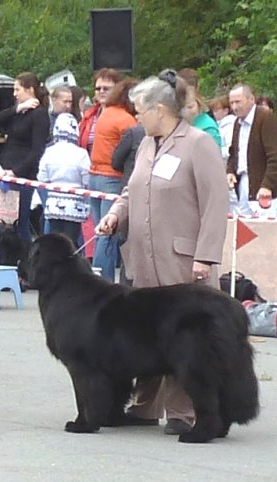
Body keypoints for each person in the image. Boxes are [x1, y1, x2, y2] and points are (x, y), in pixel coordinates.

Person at [95, 69, 229, 435]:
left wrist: (206, 255)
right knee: (145, 335)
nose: (136, 116)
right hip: (144, 257)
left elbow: (217, 203)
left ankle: (184, 410)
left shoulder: (198, 143)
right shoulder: (145, 144)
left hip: (181, 258)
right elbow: (131, 191)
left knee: (183, 339)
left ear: (159, 109)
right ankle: (145, 406)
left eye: (140, 109)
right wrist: (114, 214)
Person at [0, 72, 50, 263]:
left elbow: (37, 150)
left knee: (17, 223)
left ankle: (22, 266)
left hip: (20, 175)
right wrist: (18, 108)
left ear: (30, 90)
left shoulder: (40, 115)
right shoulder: (19, 111)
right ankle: (7, 262)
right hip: (4, 171)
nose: (15, 93)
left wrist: (17, 172)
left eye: (18, 89)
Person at [86, 78, 138, 282]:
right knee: (108, 234)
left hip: (95, 175)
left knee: (100, 229)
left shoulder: (106, 114)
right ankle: (104, 280)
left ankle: (98, 276)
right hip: (112, 178)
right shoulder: (127, 121)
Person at [227, 83, 277, 216]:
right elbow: (234, 152)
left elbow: (276, 156)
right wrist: (230, 171)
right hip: (243, 184)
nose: (234, 107)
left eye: (238, 102)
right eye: (232, 103)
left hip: (263, 186)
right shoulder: (237, 123)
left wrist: (267, 185)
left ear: (251, 99)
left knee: (264, 230)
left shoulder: (266, 118)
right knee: (243, 229)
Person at [37, 113, 90, 244]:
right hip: (75, 203)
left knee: (55, 241)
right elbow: (87, 179)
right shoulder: (81, 153)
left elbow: (42, 177)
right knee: (71, 241)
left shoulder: (49, 151)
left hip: (54, 202)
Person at [209, 95, 236, 160]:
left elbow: (230, 150)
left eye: (216, 110)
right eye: (213, 111)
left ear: (226, 111)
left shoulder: (230, 127)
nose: (214, 113)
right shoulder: (220, 126)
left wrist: (214, 152)